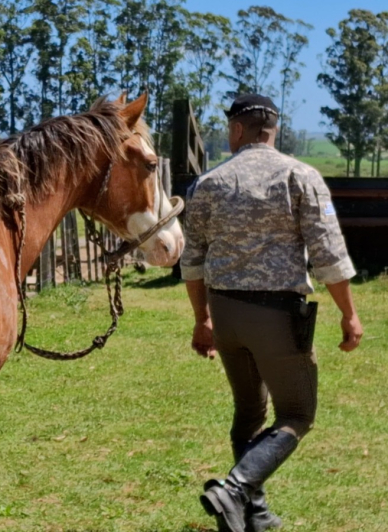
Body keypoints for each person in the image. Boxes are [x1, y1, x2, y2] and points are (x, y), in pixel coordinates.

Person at [179, 94, 363, 532]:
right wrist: (349, 313)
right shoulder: (301, 176)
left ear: (238, 130)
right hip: (277, 315)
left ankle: (251, 513)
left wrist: (202, 317)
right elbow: (329, 254)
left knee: (248, 409)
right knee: (297, 414)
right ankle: (236, 487)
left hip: (225, 313)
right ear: (272, 129)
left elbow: (192, 261)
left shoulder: (208, 183)